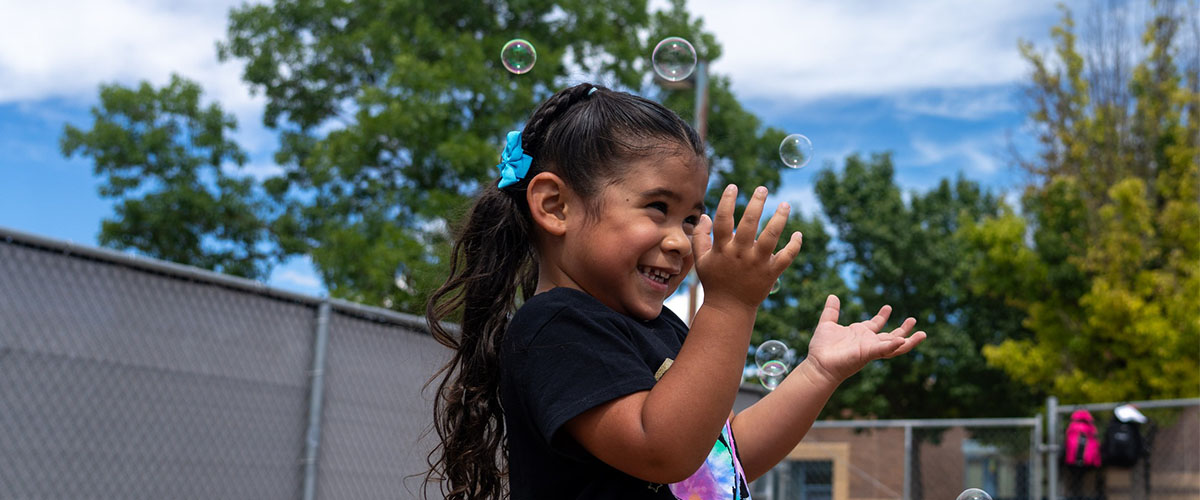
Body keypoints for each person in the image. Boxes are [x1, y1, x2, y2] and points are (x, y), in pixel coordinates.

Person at [423, 82, 926, 500]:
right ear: (556, 206)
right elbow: (663, 451)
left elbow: (723, 459)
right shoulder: (554, 326)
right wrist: (730, 304)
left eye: (690, 218)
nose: (679, 239)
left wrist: (818, 372)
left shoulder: (663, 328)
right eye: (657, 208)